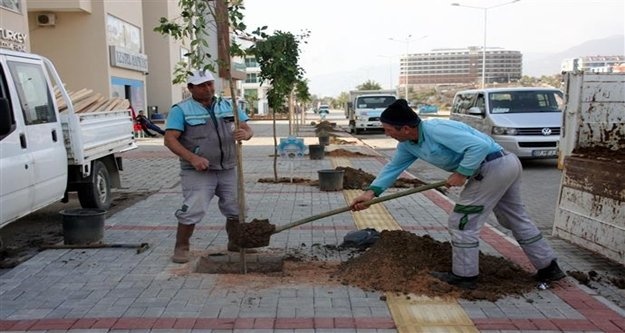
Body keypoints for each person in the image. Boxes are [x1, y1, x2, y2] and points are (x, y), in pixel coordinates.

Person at [350, 99, 565, 289]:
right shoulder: (409, 145)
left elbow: (478, 147)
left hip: (494, 166)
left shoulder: (436, 129)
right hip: (500, 166)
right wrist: (371, 194)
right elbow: (392, 168)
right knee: (513, 218)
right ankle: (549, 266)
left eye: (388, 129)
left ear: (405, 128)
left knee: (462, 222)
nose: (386, 133)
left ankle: (464, 276)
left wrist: (462, 173)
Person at [164, 69, 254, 264]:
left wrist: (246, 134)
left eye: (210, 84)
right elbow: (170, 140)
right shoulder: (180, 110)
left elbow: (247, 128)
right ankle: (182, 247)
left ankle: (236, 242)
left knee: (237, 207)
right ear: (190, 88)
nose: (208, 89)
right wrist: (193, 158)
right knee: (193, 208)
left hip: (228, 167)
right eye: (202, 85)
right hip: (198, 171)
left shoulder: (228, 105)